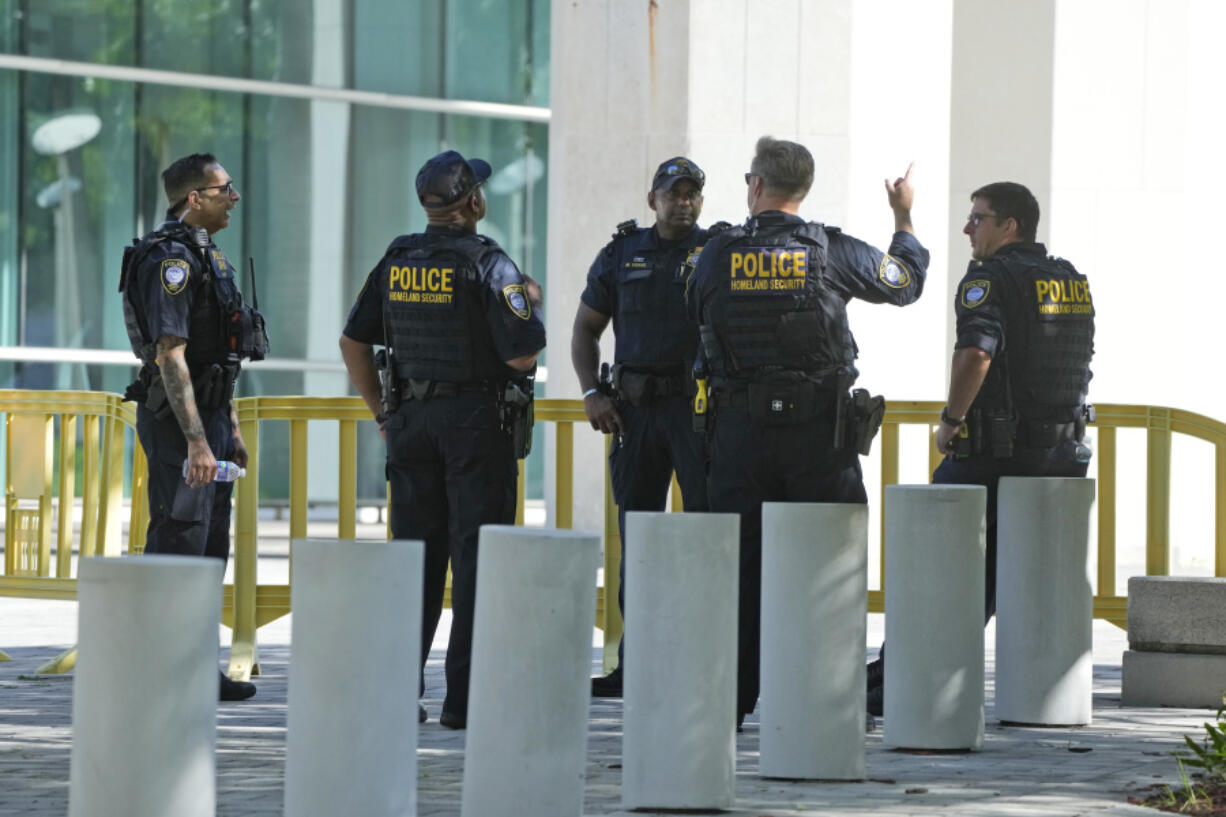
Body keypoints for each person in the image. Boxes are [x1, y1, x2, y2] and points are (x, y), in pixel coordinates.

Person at [687, 136, 929, 729]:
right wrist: (902, 216)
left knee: (739, 567)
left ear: (755, 186)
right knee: (830, 567)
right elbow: (904, 283)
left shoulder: (716, 253)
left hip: (737, 432)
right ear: (804, 188)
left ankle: (730, 702)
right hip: (818, 433)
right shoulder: (832, 249)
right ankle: (824, 702)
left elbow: (696, 308)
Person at [866, 181, 1094, 715]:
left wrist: (950, 422)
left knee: (940, 566)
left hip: (996, 453)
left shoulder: (989, 278)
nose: (968, 228)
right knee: (993, 579)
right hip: (1060, 458)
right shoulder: (1069, 280)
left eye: (978, 218)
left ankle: (905, 678)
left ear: (1008, 226)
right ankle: (901, 674)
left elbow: (976, 354)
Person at [340, 150, 545, 730]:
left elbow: (352, 344)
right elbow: (522, 351)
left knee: (413, 562)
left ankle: (399, 693)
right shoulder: (491, 265)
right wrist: (529, 299)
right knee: (477, 560)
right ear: (474, 202)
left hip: (410, 426)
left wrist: (385, 414)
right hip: (476, 427)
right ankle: (465, 701)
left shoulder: (397, 258)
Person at [118, 153, 269, 702]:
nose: (234, 197)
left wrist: (228, 426)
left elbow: (216, 356)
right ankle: (160, 674)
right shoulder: (170, 261)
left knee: (209, 547)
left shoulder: (207, 255)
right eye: (225, 188)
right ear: (194, 198)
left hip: (210, 419)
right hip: (179, 423)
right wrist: (198, 443)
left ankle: (196, 671)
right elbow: (172, 355)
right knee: (180, 541)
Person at [571, 156, 713, 697]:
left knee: (706, 538)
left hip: (697, 414)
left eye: (693, 193)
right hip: (632, 413)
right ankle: (636, 667)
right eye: (674, 193)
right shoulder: (621, 253)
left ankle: (704, 665)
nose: (684, 202)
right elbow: (584, 331)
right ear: (651, 198)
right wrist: (590, 393)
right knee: (640, 540)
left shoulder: (717, 251)